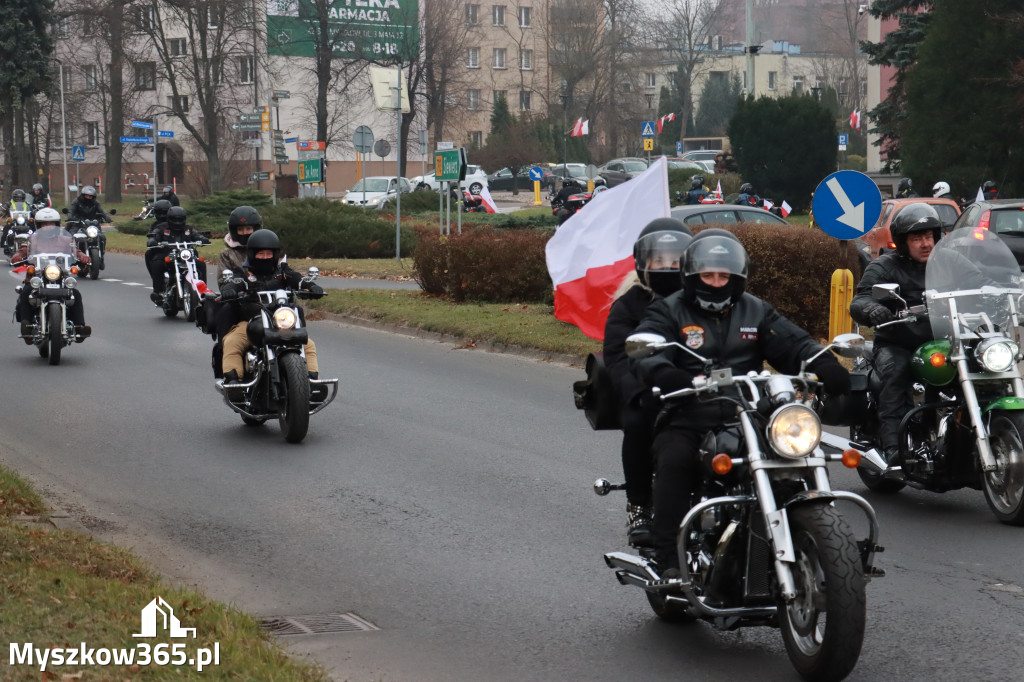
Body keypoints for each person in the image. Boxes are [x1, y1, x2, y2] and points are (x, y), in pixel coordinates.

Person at [629, 229, 850, 574]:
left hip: (747, 410)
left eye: (724, 275)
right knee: (675, 461)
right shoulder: (669, 310)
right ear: (691, 276)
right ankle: (669, 559)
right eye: (708, 275)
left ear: (738, 277)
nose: (717, 282)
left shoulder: (756, 310)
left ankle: (803, 532)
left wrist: (824, 365)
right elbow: (647, 347)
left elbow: (793, 344)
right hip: (689, 411)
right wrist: (667, 374)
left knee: (794, 452)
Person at [604, 218, 692, 546]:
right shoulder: (629, 303)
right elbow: (618, 356)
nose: (668, 266)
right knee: (640, 425)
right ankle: (639, 505)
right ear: (645, 264)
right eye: (660, 260)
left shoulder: (705, 298)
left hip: (696, 387)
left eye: (675, 260)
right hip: (646, 391)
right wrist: (643, 392)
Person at [849, 203, 940, 465]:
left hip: (941, 342)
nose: (925, 244)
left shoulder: (948, 262)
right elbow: (860, 299)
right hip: (898, 342)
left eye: (929, 237)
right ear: (902, 241)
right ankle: (893, 448)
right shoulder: (886, 266)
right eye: (917, 238)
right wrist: (872, 309)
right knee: (896, 372)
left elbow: (979, 281)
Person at [217, 229, 324, 384]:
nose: (265, 257)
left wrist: (312, 287)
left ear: (275, 254)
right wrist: (229, 290)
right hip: (251, 322)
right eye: (261, 254)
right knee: (232, 341)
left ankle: (312, 381)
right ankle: (234, 381)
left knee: (308, 344)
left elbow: (297, 279)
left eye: (269, 253)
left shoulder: (283, 272)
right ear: (252, 254)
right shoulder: (243, 273)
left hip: (281, 321)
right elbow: (234, 282)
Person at [11, 208, 90, 342]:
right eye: (45, 224)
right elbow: (23, 250)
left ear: (57, 224)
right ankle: (26, 325)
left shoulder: (66, 239)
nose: (48, 227)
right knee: (26, 292)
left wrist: (82, 256)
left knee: (75, 294)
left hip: (60, 277)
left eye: (51, 223)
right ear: (39, 225)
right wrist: (18, 256)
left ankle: (79, 327)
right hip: (38, 276)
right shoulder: (33, 239)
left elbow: (75, 250)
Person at [145, 206, 209, 303]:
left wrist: (203, 239)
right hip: (167, 254)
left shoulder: (188, 229)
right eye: (175, 219)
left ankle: (203, 290)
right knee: (156, 263)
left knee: (201, 264)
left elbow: (196, 235)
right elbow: (155, 235)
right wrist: (153, 240)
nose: (178, 222)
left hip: (185, 255)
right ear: (169, 219)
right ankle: (158, 292)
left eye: (180, 219)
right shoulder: (162, 227)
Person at [67, 185, 110, 258]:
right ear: (83, 195)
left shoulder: (96, 203)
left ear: (93, 197)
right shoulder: (76, 202)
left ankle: (101, 255)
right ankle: (71, 254)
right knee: (71, 236)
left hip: (93, 223)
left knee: (102, 237)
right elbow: (71, 211)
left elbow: (102, 211)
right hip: (79, 222)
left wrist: (107, 217)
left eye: (90, 196)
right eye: (87, 195)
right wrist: (71, 217)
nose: (88, 197)